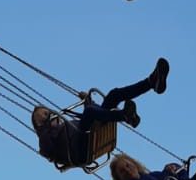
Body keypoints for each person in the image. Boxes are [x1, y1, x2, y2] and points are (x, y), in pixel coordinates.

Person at [31, 58, 169, 167]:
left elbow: (93, 114)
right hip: (79, 151)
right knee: (90, 112)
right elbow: (47, 151)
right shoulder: (44, 139)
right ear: (38, 123)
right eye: (44, 115)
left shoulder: (67, 125)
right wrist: (46, 129)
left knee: (113, 95)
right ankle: (124, 116)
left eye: (47, 112)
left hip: (88, 133)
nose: (49, 114)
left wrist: (87, 101)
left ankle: (151, 82)